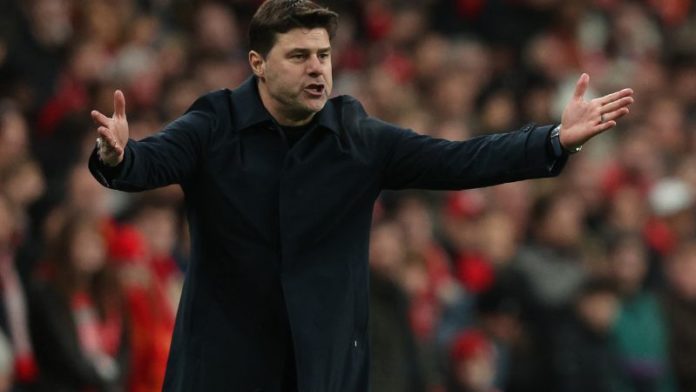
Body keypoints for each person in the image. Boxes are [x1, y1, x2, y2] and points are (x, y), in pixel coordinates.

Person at [87, 1, 634, 390]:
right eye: (299, 56)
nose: (318, 69)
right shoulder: (212, 124)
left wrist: (553, 139)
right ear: (258, 64)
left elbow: (461, 159)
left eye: (323, 55)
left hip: (323, 368)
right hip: (224, 364)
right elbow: (148, 162)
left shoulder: (357, 137)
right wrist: (118, 156)